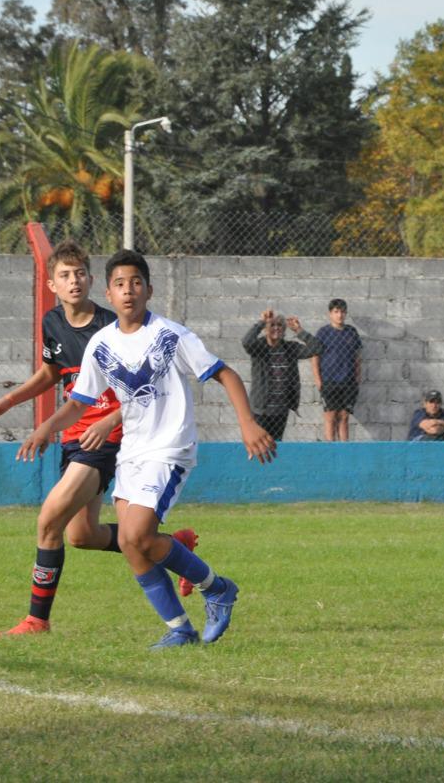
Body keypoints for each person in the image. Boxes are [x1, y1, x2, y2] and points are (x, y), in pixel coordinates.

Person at [18, 249, 276, 650]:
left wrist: (247, 424)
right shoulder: (101, 344)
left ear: (149, 289)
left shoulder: (172, 336)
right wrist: (46, 428)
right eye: (120, 284)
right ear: (110, 291)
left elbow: (224, 373)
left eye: (136, 283)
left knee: (136, 534)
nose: (128, 291)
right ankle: (180, 627)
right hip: (131, 453)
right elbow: (78, 401)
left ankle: (216, 588)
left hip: (170, 449)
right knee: (130, 543)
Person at [0, 241, 196, 634]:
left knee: (48, 520)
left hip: (105, 441)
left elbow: (143, 388)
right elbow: (49, 375)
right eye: (65, 275)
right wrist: (9, 400)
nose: (74, 280)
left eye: (79, 273)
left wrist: (111, 419)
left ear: (92, 280)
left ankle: (36, 620)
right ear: (52, 285)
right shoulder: (53, 324)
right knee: (82, 536)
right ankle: (169, 546)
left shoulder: (112, 326)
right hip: (73, 439)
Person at [242, 309, 322, 440]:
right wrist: (262, 322)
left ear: (284, 330)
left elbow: (317, 348)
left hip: (280, 410)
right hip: (261, 411)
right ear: (266, 329)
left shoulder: (290, 348)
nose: (276, 328)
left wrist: (299, 331)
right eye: (272, 325)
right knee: (261, 444)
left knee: (277, 445)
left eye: (279, 325)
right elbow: (246, 342)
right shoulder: (258, 347)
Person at [312, 298, 363, 442]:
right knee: (330, 416)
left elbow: (357, 357)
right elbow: (315, 357)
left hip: (348, 381)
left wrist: (357, 377)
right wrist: (318, 380)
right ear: (330, 314)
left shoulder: (351, 332)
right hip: (329, 381)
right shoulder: (323, 332)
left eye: (342, 312)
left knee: (344, 417)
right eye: (336, 312)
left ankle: (344, 449)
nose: (340, 315)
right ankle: (330, 448)